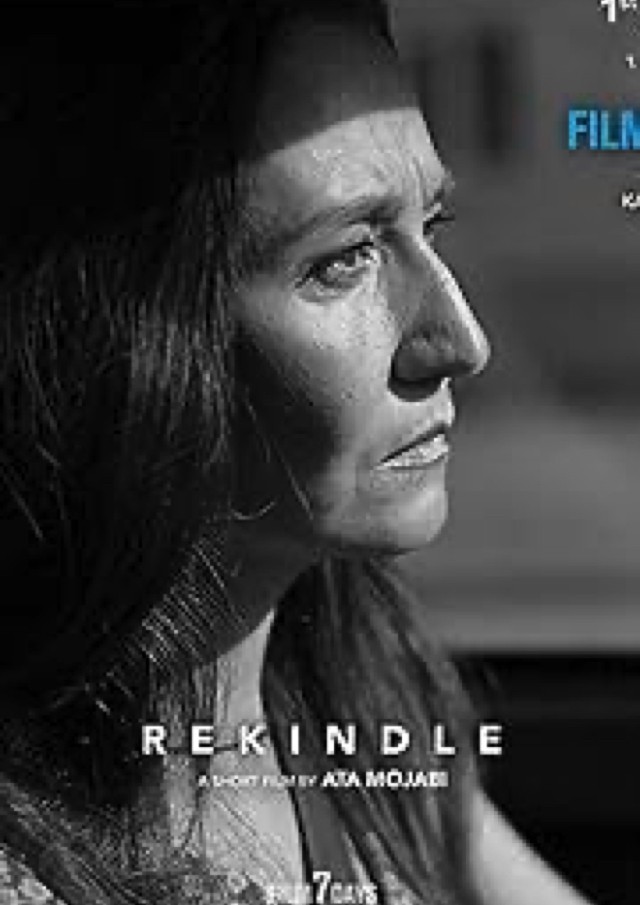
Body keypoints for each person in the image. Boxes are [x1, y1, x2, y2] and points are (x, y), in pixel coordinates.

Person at [0, 2, 596, 904]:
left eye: (432, 226)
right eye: (343, 260)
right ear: (126, 337)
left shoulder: (354, 681)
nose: (459, 342)